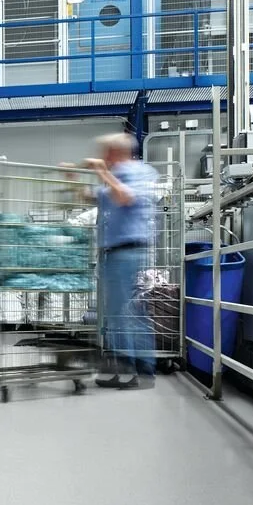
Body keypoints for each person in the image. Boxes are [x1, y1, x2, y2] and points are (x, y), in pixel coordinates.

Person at [64, 133, 160, 390]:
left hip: (128, 249)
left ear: (117, 153)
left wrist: (103, 172)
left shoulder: (138, 172)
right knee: (118, 312)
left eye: (106, 153)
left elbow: (125, 197)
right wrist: (72, 180)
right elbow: (92, 197)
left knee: (124, 312)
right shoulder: (115, 176)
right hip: (113, 251)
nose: (103, 158)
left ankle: (135, 369)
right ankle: (125, 368)